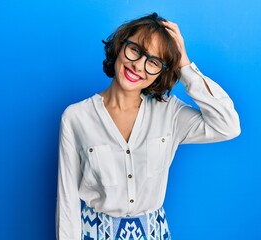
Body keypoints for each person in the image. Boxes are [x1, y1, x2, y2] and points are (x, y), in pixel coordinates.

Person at [56, 12, 240, 240]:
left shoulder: (170, 113)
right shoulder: (76, 117)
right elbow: (67, 201)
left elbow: (228, 125)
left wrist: (183, 64)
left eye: (154, 62)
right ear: (120, 46)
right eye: (136, 50)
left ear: (161, 71)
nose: (139, 66)